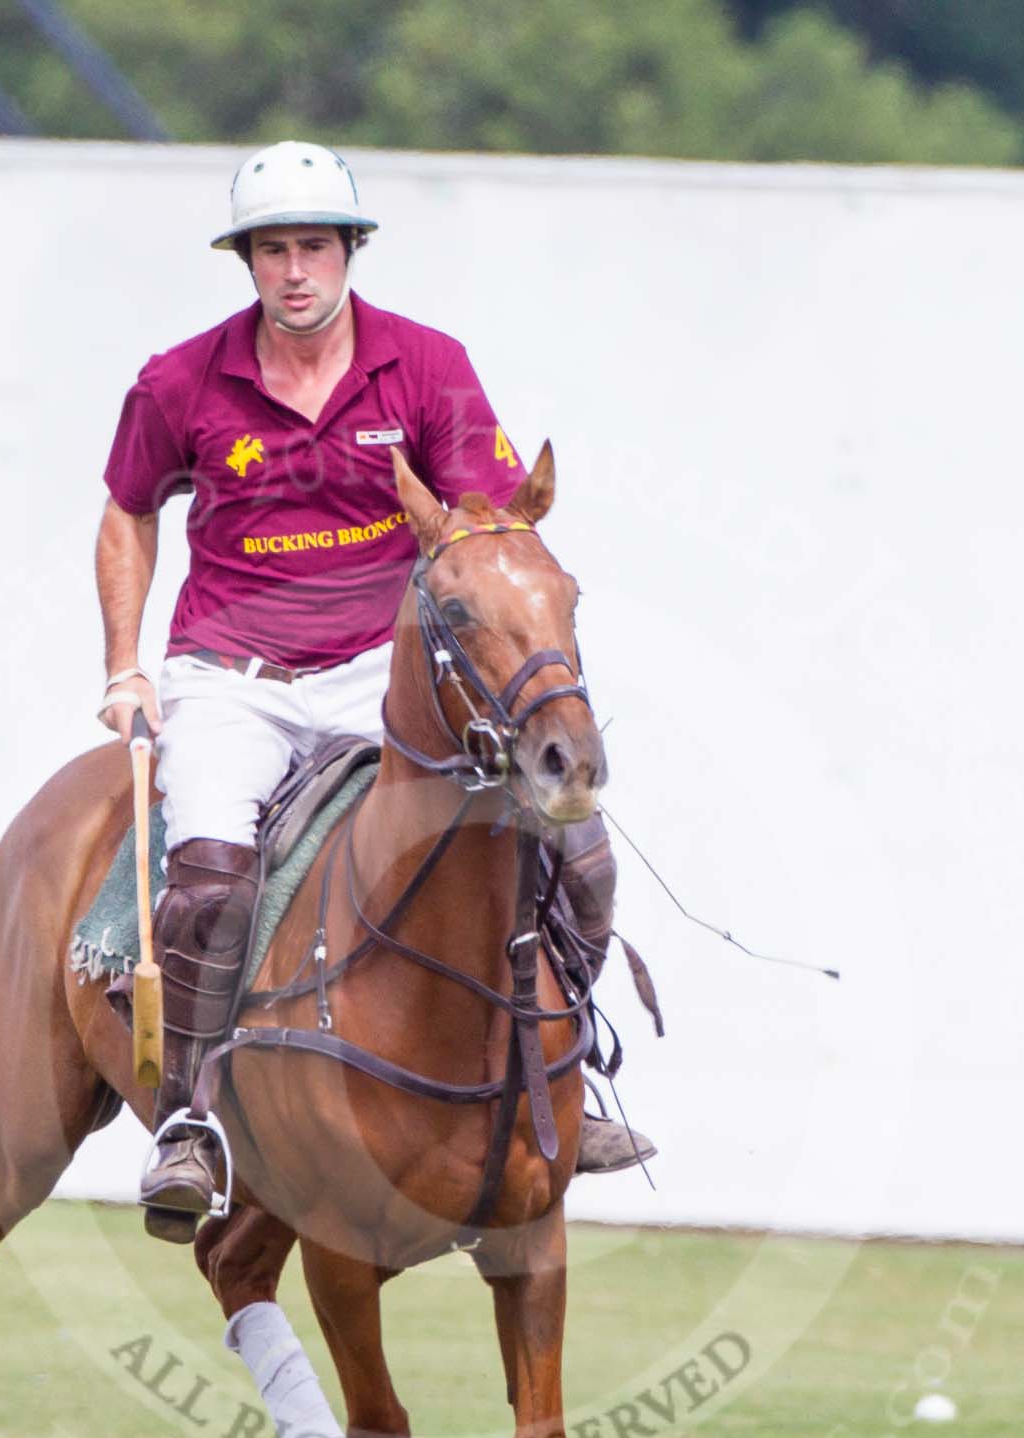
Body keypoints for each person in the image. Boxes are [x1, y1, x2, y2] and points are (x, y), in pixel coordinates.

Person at [95, 140, 651, 1234]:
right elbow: (127, 507)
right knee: (209, 886)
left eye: (313, 246)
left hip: (374, 676)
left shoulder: (427, 366)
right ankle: (193, 1121)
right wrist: (126, 662)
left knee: (576, 856)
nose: (294, 269)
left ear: (349, 252)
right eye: (271, 250)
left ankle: (569, 1086)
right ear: (246, 262)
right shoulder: (181, 379)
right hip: (233, 674)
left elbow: (492, 525)